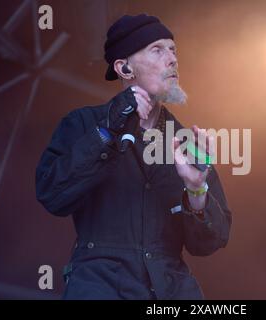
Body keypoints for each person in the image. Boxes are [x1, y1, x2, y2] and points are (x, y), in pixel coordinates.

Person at [35, 14, 232, 300]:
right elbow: (52, 193)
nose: (173, 59)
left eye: (173, 49)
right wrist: (107, 132)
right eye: (157, 49)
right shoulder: (83, 124)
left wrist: (197, 189)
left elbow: (209, 243)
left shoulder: (185, 142)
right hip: (99, 286)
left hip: (171, 291)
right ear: (124, 67)